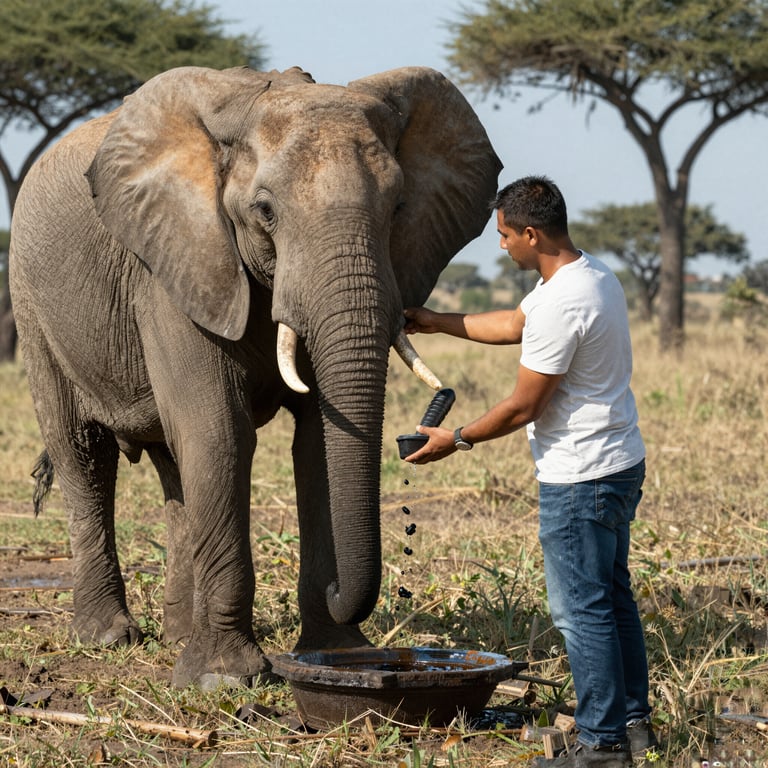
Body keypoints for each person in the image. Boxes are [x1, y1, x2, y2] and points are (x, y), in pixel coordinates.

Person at [403, 176, 658, 767]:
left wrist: (456, 439)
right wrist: (436, 321)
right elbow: (514, 324)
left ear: (531, 234)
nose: (502, 246)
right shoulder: (591, 276)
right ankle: (632, 724)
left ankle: (601, 745)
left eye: (505, 236)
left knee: (580, 611)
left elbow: (524, 407)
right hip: (618, 462)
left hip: (580, 477)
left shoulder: (564, 301)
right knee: (613, 598)